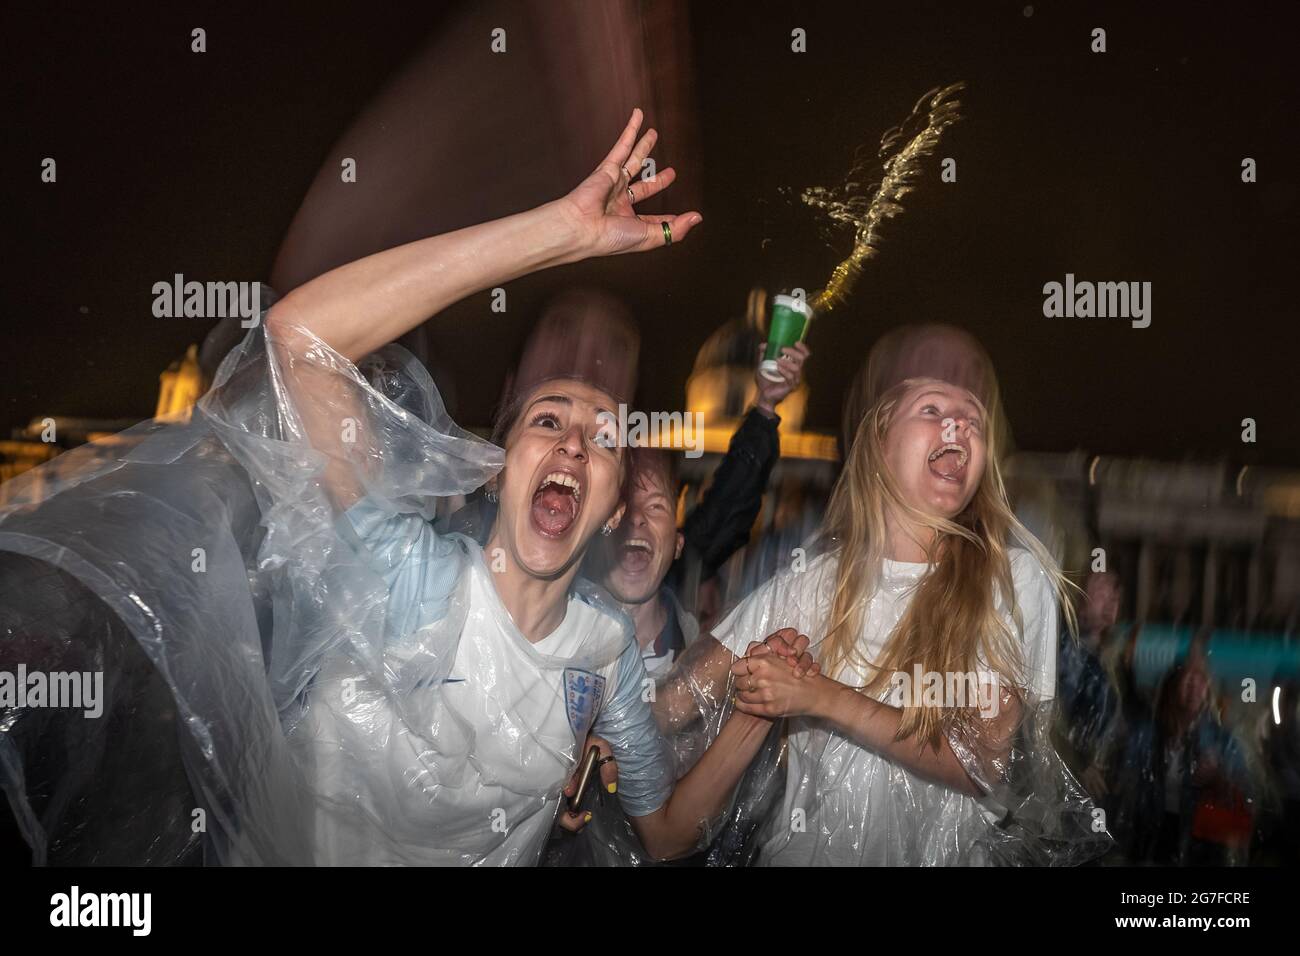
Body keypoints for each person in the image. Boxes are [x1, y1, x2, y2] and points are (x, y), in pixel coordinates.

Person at [651, 333, 1111, 865]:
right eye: (932, 409)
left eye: (973, 420)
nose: (958, 423)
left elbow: (979, 759)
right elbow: (677, 703)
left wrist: (817, 695)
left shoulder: (1012, 576)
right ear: (880, 446)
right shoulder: (812, 580)